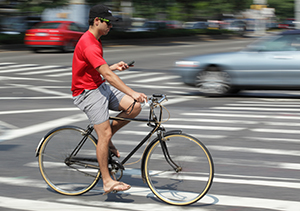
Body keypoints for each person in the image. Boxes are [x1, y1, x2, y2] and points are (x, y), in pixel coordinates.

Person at [71, 4, 147, 195]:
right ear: (97, 21)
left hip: (98, 85)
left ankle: (105, 137)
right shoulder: (89, 43)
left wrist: (112, 67)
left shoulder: (95, 39)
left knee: (134, 107)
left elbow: (97, 69)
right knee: (104, 134)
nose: (110, 27)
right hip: (87, 92)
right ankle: (107, 181)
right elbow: (109, 77)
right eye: (108, 23)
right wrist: (131, 91)